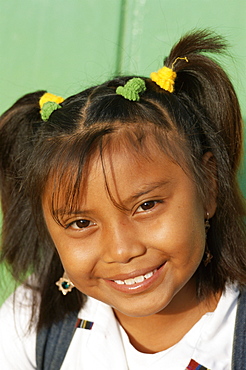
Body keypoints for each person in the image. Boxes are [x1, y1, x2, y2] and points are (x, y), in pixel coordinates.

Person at [0, 29, 245, 370]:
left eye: (146, 206)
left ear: (209, 185)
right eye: (81, 223)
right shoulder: (31, 321)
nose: (121, 249)